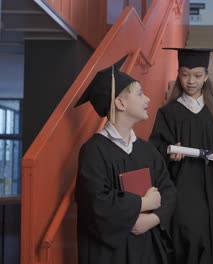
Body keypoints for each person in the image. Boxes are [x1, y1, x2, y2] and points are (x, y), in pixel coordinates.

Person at [74, 56, 177, 264]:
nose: (148, 100)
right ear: (120, 103)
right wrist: (143, 203)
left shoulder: (147, 151)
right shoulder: (94, 151)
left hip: (147, 249)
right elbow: (96, 204)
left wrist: (152, 219)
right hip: (110, 255)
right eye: (140, 94)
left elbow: (168, 191)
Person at [149, 48, 213, 264]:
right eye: (185, 74)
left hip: (209, 190)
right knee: (184, 239)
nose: (190, 81)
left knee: (210, 240)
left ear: (206, 76)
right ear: (178, 74)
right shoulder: (168, 113)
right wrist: (169, 152)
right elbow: (155, 149)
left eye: (197, 75)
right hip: (181, 187)